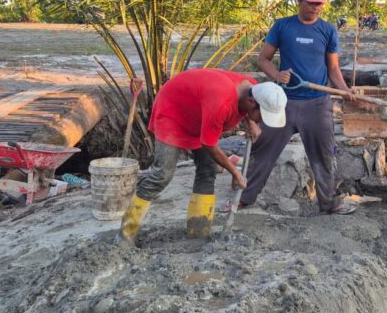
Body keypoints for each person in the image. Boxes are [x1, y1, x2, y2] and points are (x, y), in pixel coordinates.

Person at [116, 69, 288, 245]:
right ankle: (126, 234)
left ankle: (199, 231)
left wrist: (251, 122)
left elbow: (245, 108)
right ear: (252, 102)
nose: (262, 121)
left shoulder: (254, 88)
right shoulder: (222, 103)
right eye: (261, 115)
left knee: (207, 169)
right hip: (173, 111)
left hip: (199, 115)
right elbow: (209, 145)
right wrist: (235, 173)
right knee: (162, 175)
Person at [238, 0, 357, 215]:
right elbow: (263, 59)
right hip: (284, 103)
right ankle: (244, 197)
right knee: (263, 149)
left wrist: (344, 89)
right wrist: (277, 75)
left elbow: (332, 69)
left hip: (317, 104)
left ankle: (328, 203)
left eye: (319, 4)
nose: (315, 7)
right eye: (311, 2)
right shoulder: (283, 27)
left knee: (324, 153)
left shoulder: (327, 30)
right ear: (299, 0)